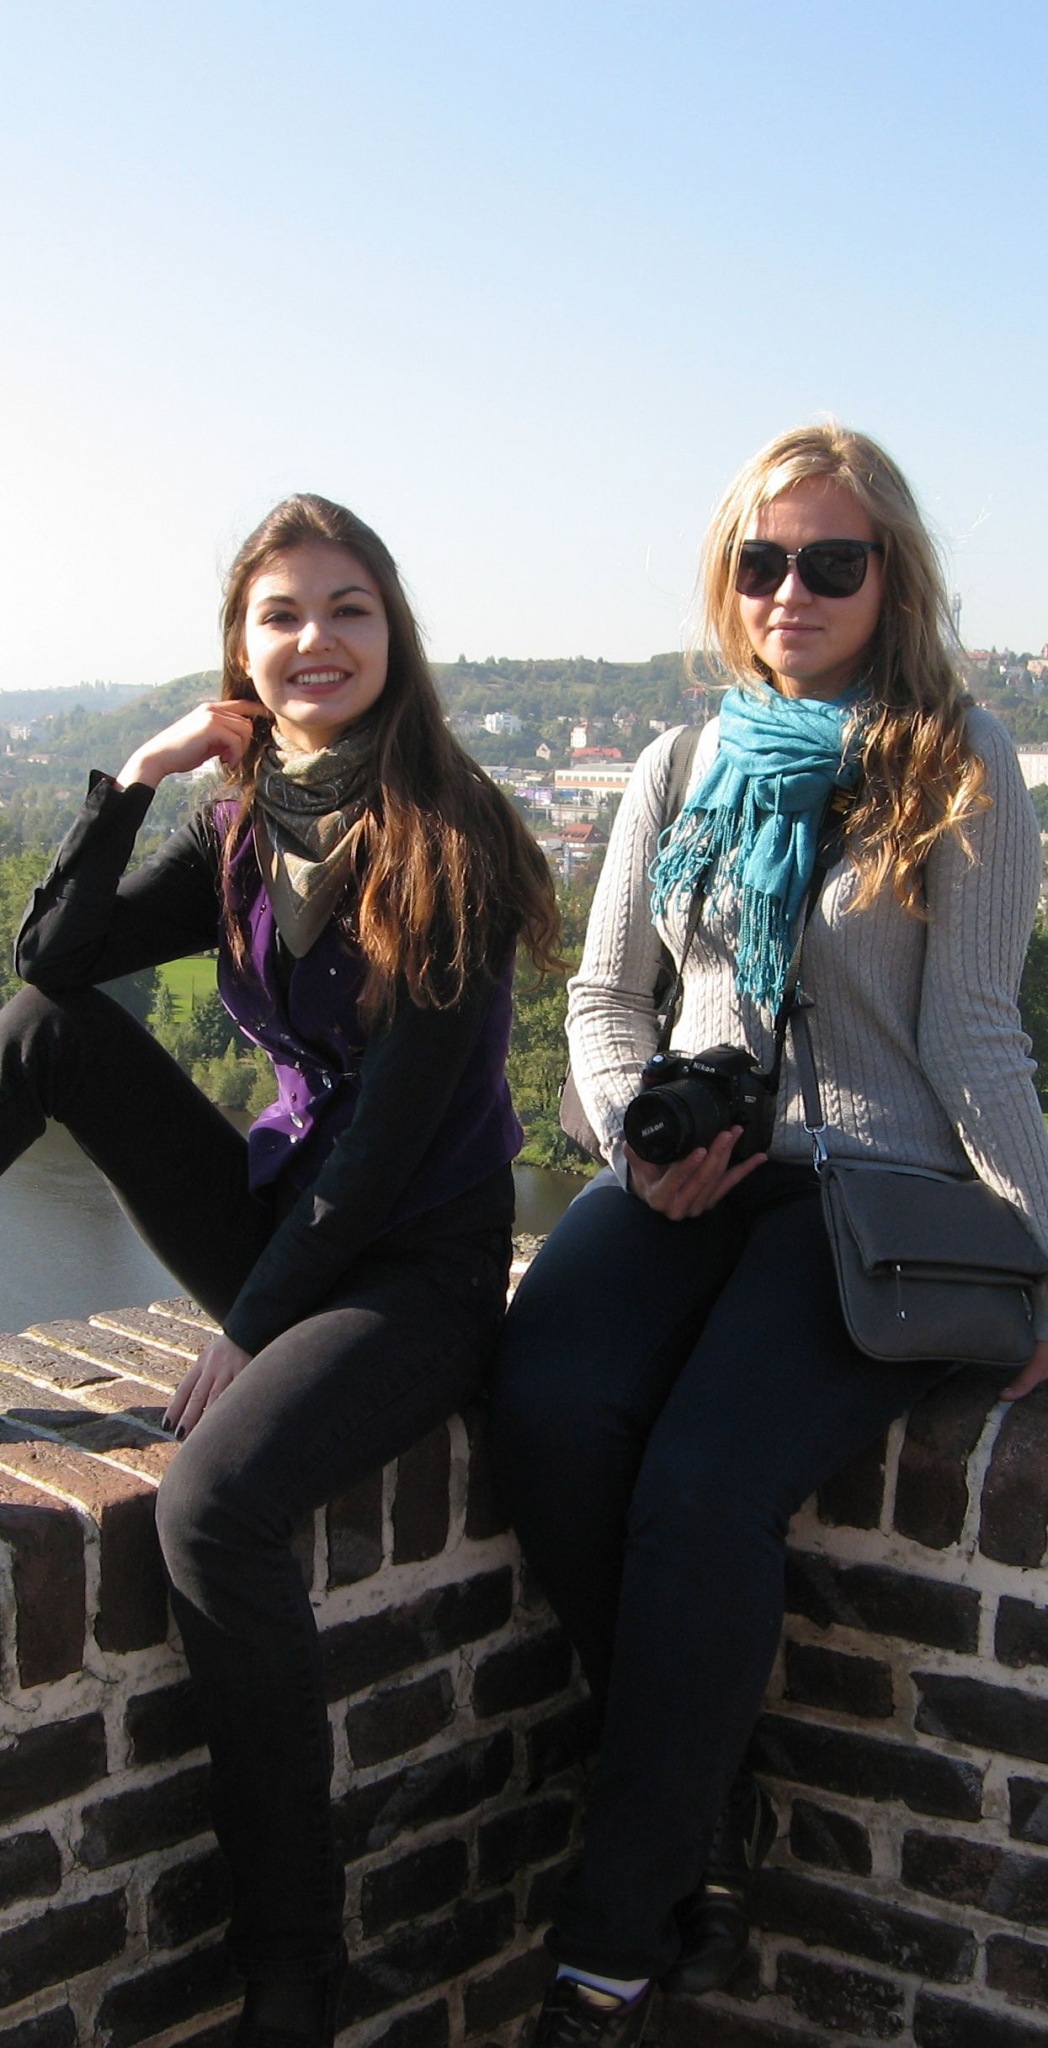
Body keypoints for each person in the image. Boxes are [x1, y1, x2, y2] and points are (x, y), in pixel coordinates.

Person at [490, 424, 1048, 2048]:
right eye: (761, 561)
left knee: (702, 1487)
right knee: (544, 1404)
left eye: (830, 561)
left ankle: (616, 1938)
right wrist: (629, 1134)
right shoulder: (683, 764)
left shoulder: (957, 761)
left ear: (892, 579)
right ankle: (704, 1783)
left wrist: (1044, 1243)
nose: (789, 591)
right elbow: (606, 1000)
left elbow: (975, 1037)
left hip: (865, 1190)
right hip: (694, 1170)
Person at [0, 494, 558, 2047]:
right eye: (282, 614)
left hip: (411, 1268)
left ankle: (294, 1967)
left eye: (348, 608)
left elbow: (386, 1150)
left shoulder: (448, 839)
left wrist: (251, 1329)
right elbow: (53, 963)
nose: (317, 639)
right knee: (40, 1035)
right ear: (241, 649)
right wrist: (141, 778)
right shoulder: (245, 822)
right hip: (286, 1215)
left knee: (212, 1504)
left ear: (395, 634)